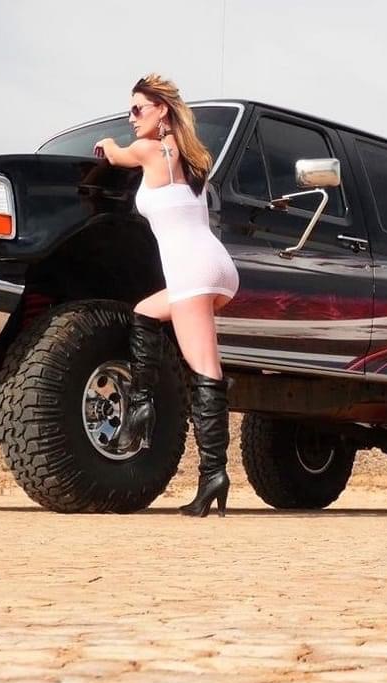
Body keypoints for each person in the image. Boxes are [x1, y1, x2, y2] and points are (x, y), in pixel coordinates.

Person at [93, 73, 240, 518]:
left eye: (138, 108)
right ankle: (142, 404)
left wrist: (105, 143)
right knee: (144, 312)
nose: (131, 117)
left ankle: (213, 474)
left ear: (162, 110)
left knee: (206, 372)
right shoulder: (196, 158)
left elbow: (114, 155)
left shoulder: (147, 150)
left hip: (192, 270)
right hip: (215, 265)